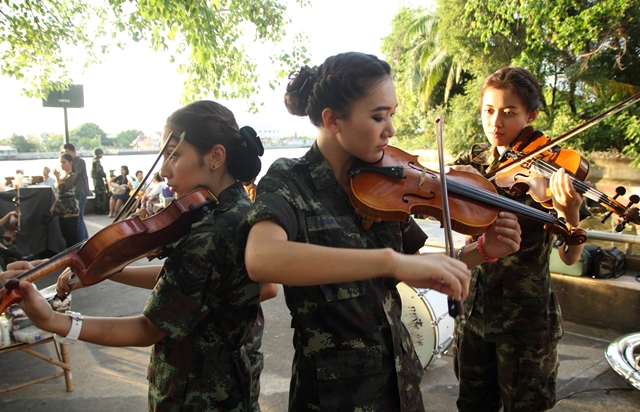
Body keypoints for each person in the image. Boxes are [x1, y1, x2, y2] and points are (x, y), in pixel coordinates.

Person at [241, 52, 522, 411]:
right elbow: (261, 258)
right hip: (332, 395)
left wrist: (481, 250)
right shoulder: (290, 181)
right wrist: (389, 262)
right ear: (333, 120)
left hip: (399, 382)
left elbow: (416, 265)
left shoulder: (389, 182)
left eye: (392, 114)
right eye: (378, 117)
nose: (389, 129)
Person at [1, 100, 266, 410]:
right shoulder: (238, 212)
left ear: (216, 156)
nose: (164, 170)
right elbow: (191, 284)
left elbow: (146, 329)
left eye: (173, 155)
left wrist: (54, 320)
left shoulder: (213, 231)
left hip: (196, 396)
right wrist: (112, 268)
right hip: (230, 387)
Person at [451, 67, 586, 412]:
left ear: (531, 115)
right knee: (472, 404)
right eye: (489, 110)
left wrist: (569, 214)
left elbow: (570, 257)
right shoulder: (475, 161)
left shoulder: (552, 172)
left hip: (526, 322)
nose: (496, 122)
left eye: (509, 113)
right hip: (473, 314)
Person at [62, 143, 90, 241]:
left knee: (78, 220)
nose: (67, 155)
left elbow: (73, 174)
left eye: (68, 153)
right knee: (79, 219)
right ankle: (85, 239)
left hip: (80, 192)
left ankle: (81, 242)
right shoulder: (70, 162)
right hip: (75, 194)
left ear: (74, 152)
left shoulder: (79, 161)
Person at [52, 153, 80, 248]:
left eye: (64, 162)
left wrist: (57, 178)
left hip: (70, 208)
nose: (62, 165)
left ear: (70, 163)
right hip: (61, 208)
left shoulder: (73, 176)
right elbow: (58, 192)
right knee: (65, 234)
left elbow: (63, 189)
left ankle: (77, 254)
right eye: (60, 162)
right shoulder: (63, 176)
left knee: (72, 234)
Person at [91, 148, 108, 215]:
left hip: (95, 180)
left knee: (97, 195)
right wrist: (104, 175)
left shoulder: (93, 160)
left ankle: (96, 209)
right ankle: (100, 210)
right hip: (98, 180)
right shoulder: (96, 161)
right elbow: (99, 171)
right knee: (100, 195)